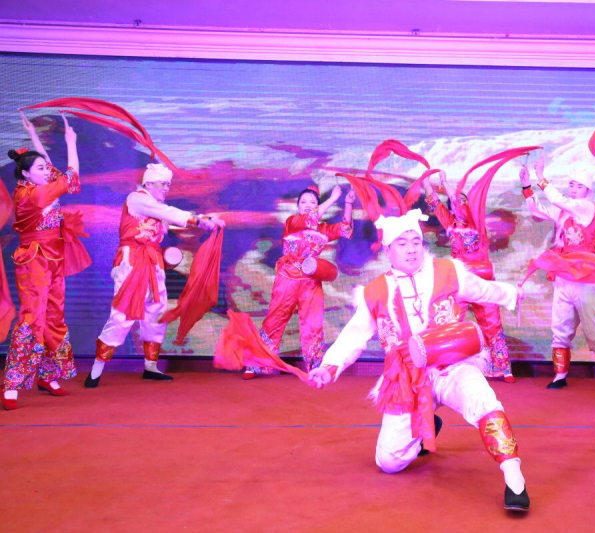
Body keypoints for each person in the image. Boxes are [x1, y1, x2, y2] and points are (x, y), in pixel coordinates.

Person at [307, 209, 530, 512]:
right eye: (402, 243)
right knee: (389, 462)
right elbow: (354, 336)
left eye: (415, 241)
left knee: (484, 401)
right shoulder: (375, 292)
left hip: (453, 365)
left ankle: (514, 476)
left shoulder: (448, 271)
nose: (411, 249)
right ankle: (427, 427)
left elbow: (483, 290)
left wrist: (513, 293)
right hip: (407, 379)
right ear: (388, 250)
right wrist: (328, 367)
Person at [85, 163, 223, 388]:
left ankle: (151, 367)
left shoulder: (155, 208)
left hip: (153, 261)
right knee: (124, 313)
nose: (166, 188)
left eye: (168, 184)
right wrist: (199, 221)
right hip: (133, 261)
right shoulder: (136, 199)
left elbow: (169, 216)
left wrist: (206, 219)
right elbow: (167, 212)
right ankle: (96, 369)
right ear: (148, 184)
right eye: (162, 184)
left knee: (156, 310)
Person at [2, 113, 85, 410]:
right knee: (32, 317)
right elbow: (70, 178)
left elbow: (49, 167)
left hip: (54, 256)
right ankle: (12, 383)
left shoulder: (39, 182)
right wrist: (70, 142)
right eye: (40, 168)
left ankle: (49, 376)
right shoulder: (32, 195)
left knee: (54, 316)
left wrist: (34, 137)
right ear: (26, 175)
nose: (47, 170)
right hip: (34, 260)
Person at [519, 158, 595, 393]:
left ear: (588, 191)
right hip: (564, 275)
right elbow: (537, 211)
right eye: (572, 185)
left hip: (586, 277)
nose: (574, 189)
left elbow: (557, 199)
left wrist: (541, 177)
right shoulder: (563, 210)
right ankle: (560, 375)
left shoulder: (587, 207)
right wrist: (526, 186)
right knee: (560, 325)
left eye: (579, 186)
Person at [243, 185, 354, 379]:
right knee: (275, 319)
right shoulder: (293, 222)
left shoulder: (323, 230)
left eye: (312, 202)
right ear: (298, 206)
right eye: (303, 202)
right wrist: (332, 198)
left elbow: (345, 229)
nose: (308, 205)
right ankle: (256, 364)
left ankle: (315, 367)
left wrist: (348, 203)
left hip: (311, 281)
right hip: (288, 278)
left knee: (313, 324)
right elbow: (310, 218)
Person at [422, 171, 515, 382]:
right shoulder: (450, 224)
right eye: (456, 202)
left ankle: (503, 367)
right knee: (451, 322)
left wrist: (446, 183)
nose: (459, 204)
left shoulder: (476, 224)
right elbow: (435, 203)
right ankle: (447, 365)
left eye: (463, 201)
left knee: (491, 323)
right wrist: (427, 181)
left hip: (482, 279)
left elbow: (457, 202)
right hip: (460, 280)